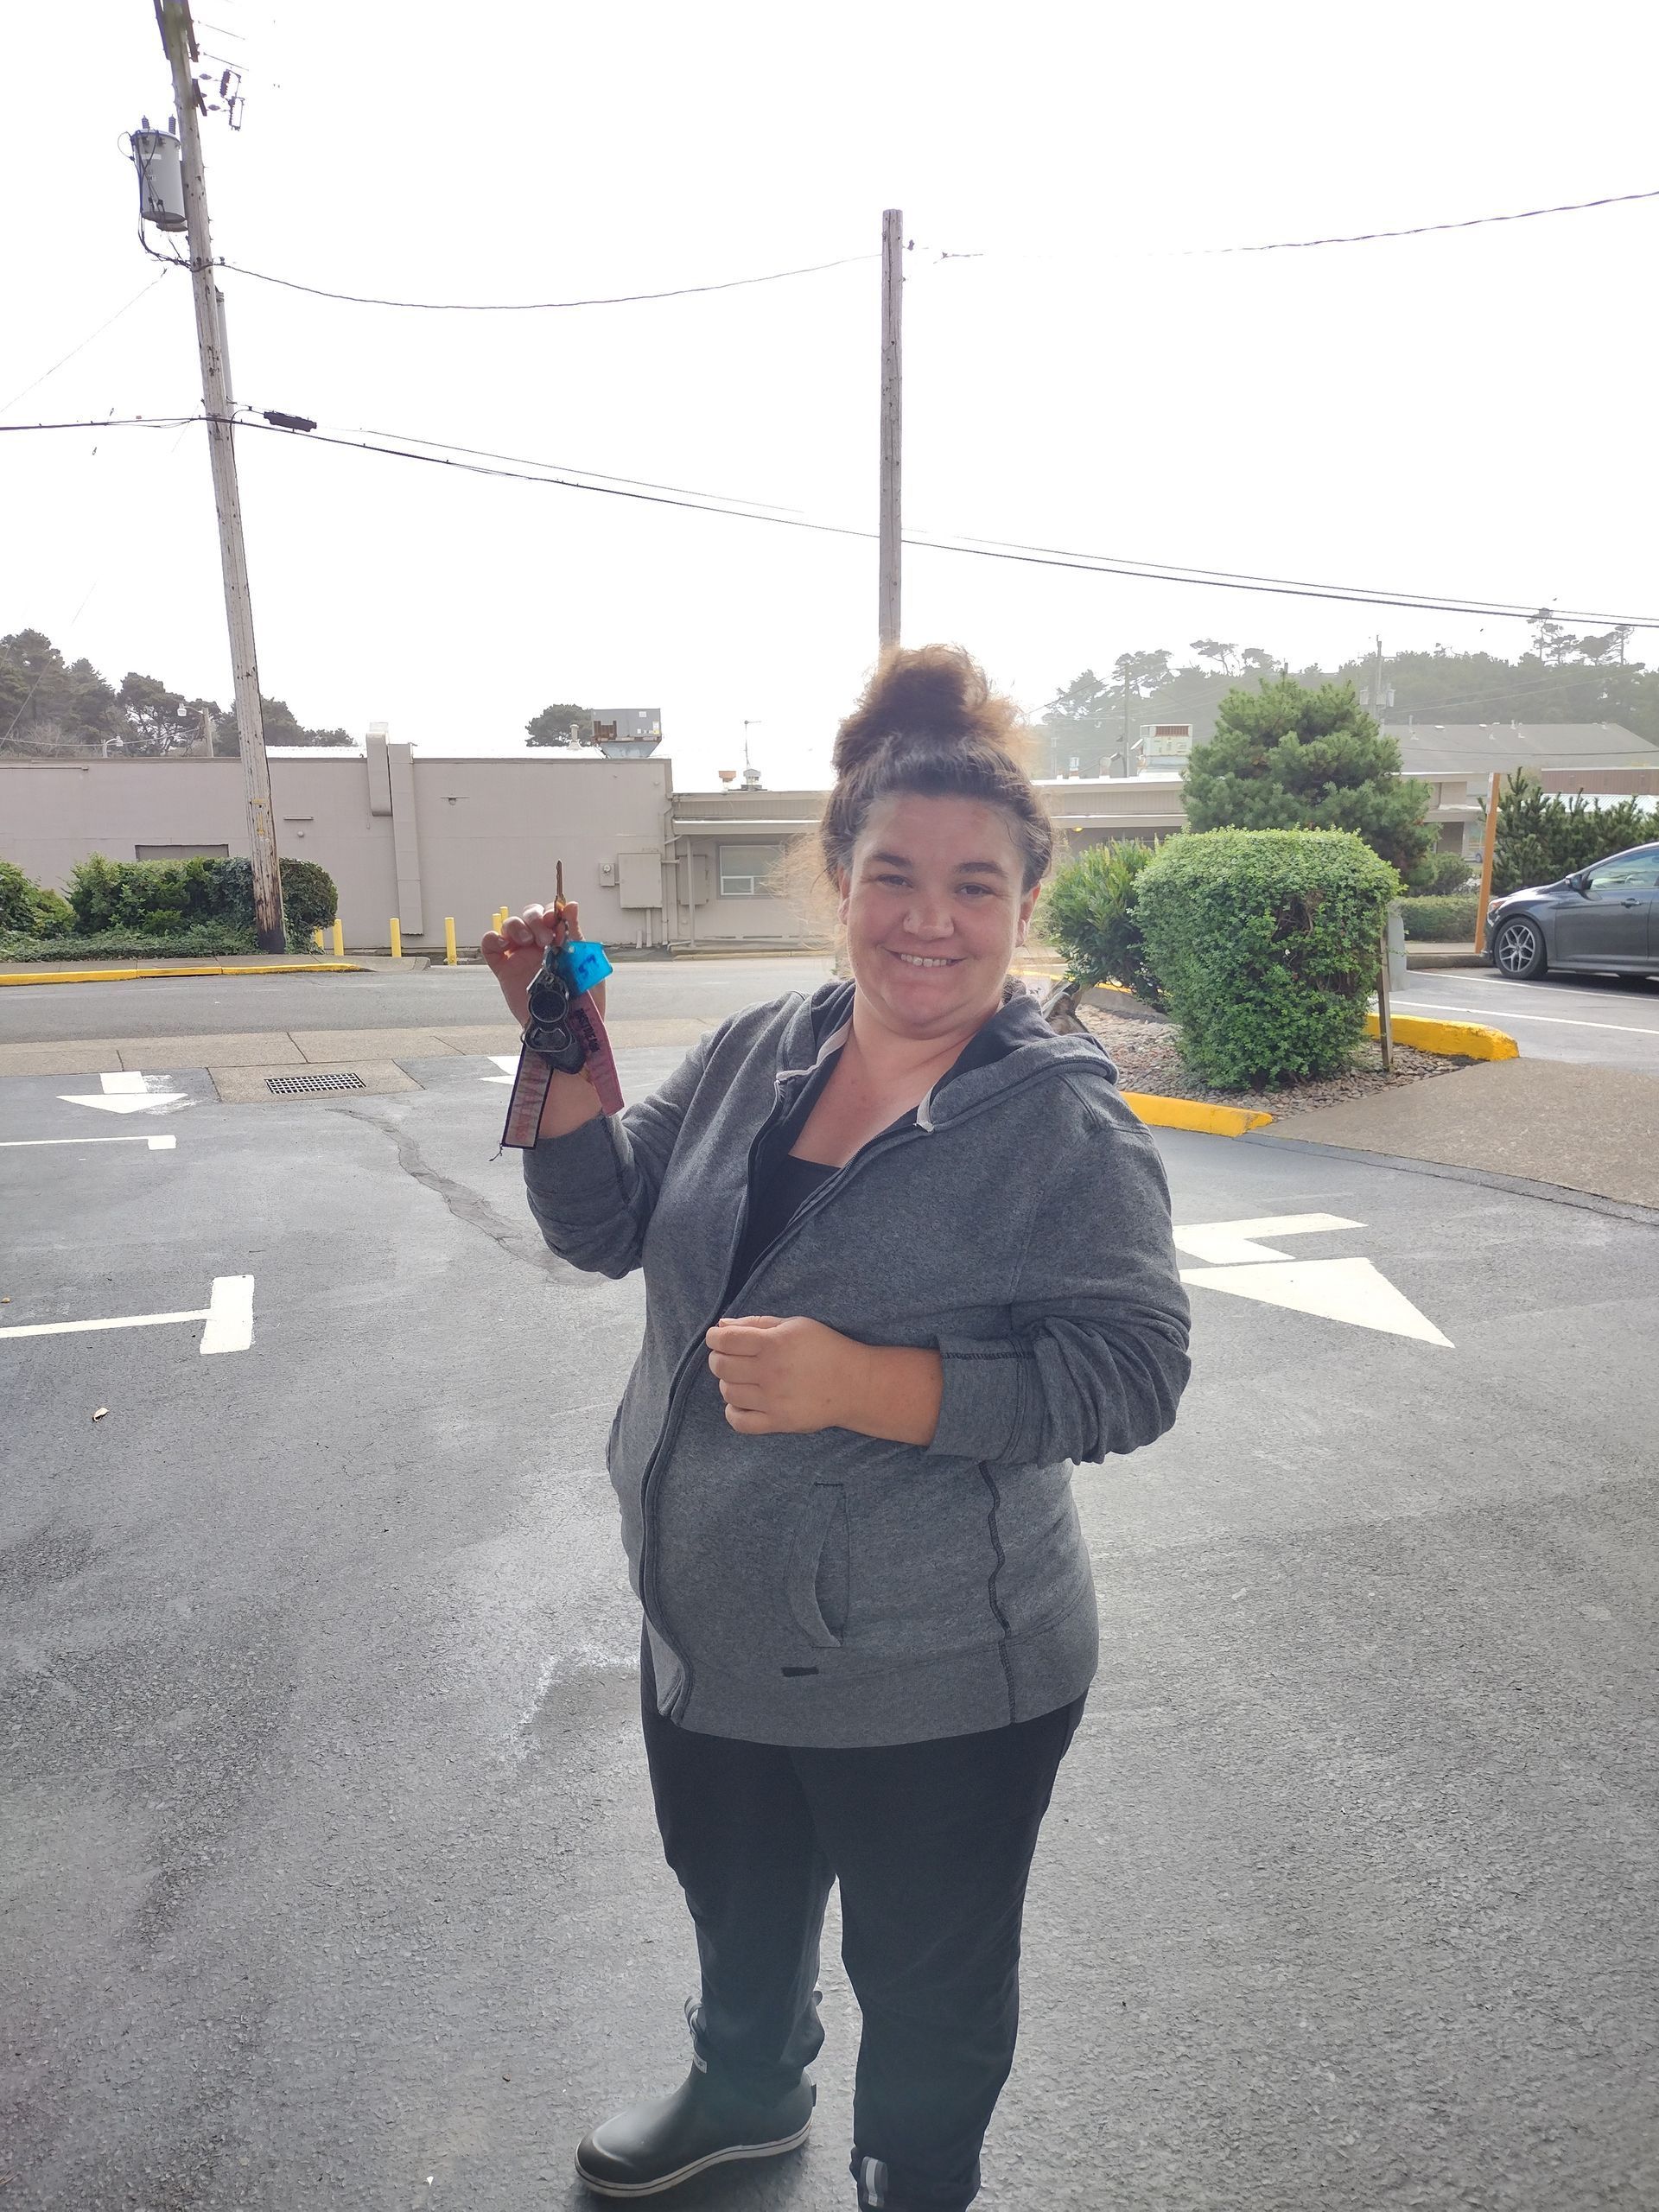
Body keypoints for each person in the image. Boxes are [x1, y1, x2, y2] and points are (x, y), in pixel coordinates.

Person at [484, 645, 1191, 2211]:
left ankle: (908, 2177)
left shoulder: (1059, 1125)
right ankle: (744, 2090)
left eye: (975, 887)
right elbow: (601, 1223)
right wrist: (559, 1047)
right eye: (895, 877)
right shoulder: (761, 1051)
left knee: (928, 1983)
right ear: (840, 880)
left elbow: (1135, 1373)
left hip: (943, 1674)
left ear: (1022, 906)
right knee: (736, 1908)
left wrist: (862, 1381)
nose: (929, 919)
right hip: (711, 1631)